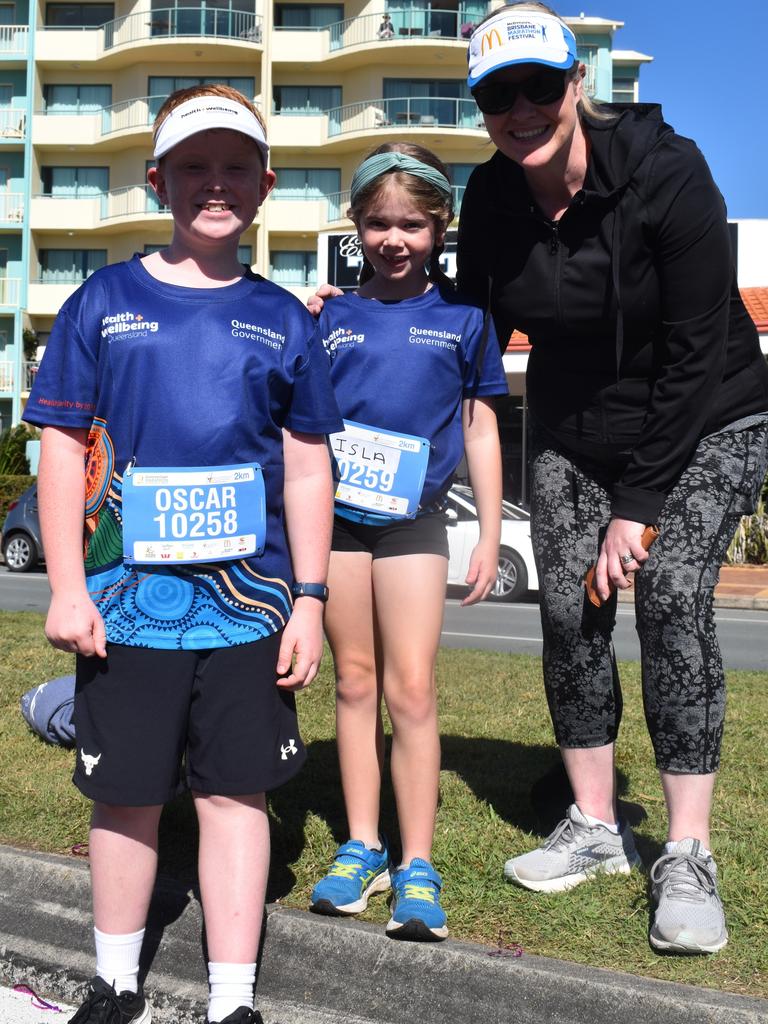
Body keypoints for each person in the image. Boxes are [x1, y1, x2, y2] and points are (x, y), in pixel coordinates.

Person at [23, 84, 342, 1024]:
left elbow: (308, 463)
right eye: (194, 166)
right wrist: (67, 588)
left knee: (235, 794)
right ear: (159, 180)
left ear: (266, 184)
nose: (216, 183)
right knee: (124, 796)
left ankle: (231, 1000)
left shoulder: (284, 319)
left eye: (235, 165)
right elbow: (60, 443)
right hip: (123, 609)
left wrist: (312, 598)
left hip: (248, 608)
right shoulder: (102, 301)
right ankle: (114, 983)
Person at [460, 2, 768, 954]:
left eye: (539, 87)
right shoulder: (492, 198)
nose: (521, 108)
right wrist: (358, 318)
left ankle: (686, 849)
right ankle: (596, 826)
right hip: (573, 428)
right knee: (568, 612)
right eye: (498, 94)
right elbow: (467, 329)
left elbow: (690, 350)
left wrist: (637, 510)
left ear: (576, 85)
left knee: (673, 600)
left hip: (714, 411)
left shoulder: (668, 173)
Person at [308, 143, 508, 941]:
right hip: (337, 528)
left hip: (417, 525)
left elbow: (482, 427)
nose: (396, 239)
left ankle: (415, 861)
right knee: (354, 682)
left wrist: (491, 531)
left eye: (414, 226)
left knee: (411, 689)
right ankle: (362, 845)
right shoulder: (324, 317)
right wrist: (305, 310)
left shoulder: (465, 322)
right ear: (357, 225)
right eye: (380, 224)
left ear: (440, 228)